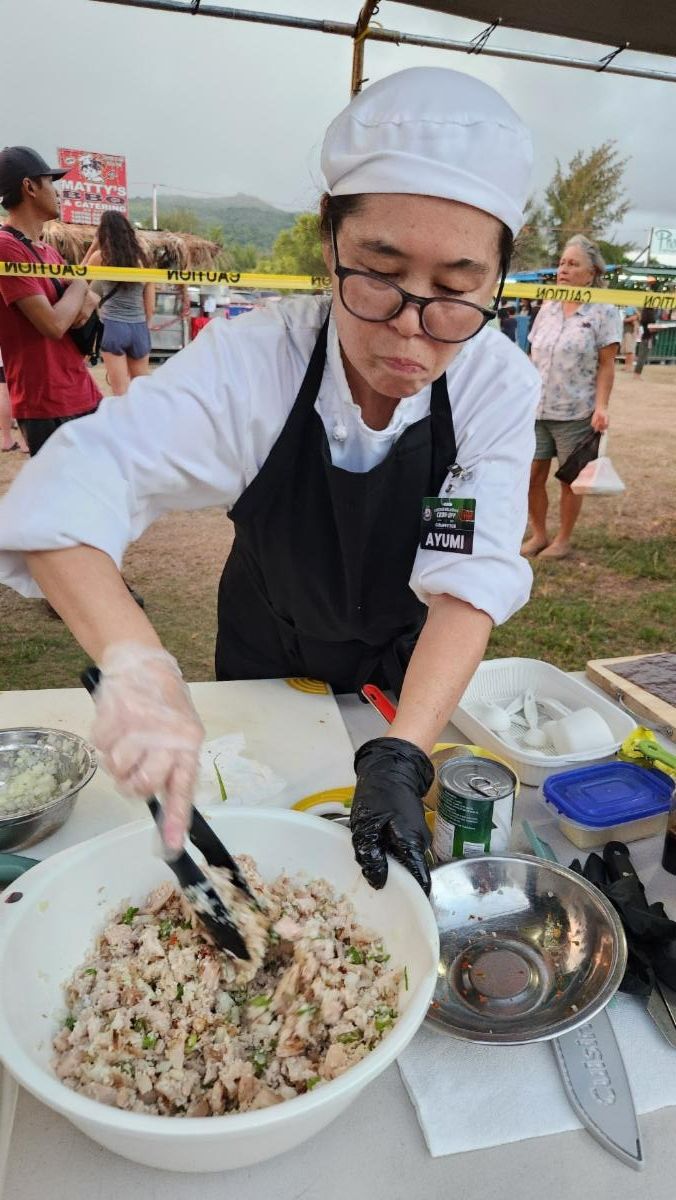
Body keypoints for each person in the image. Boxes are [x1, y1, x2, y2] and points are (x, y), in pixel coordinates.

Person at [0, 69, 540, 895]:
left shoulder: (494, 385)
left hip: (403, 668)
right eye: (378, 271)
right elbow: (71, 492)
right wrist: (138, 663)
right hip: (265, 648)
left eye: (458, 291)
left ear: (497, 276)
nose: (411, 329)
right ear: (328, 241)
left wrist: (402, 754)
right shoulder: (258, 363)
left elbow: (467, 574)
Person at [523, 235, 621, 559]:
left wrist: (602, 406)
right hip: (537, 410)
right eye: (562, 262)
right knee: (531, 477)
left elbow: (607, 366)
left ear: (591, 272)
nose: (563, 269)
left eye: (573, 263)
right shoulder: (547, 306)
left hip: (576, 412)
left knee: (570, 480)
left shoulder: (605, 311)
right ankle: (538, 535)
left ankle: (562, 540)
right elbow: (531, 354)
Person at [0, 146, 102, 456]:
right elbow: (55, 324)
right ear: (29, 187)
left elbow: (89, 304)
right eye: (50, 181)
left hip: (82, 390)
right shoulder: (6, 248)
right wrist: (82, 283)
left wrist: (81, 294)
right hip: (47, 403)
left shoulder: (47, 251)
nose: (57, 191)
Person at [82, 211, 155, 396]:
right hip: (139, 327)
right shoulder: (143, 260)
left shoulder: (101, 257)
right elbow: (151, 307)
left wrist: (92, 247)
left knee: (120, 392)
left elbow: (78, 280)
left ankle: (123, 424)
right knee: (142, 390)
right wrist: (143, 325)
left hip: (114, 327)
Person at [0, 347, 28, 452]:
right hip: (13, 352)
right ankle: (25, 442)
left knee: (3, 393)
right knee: (23, 391)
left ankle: (7, 441)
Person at [621, 304, 639, 372]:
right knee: (627, 350)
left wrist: (624, 320)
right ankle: (626, 366)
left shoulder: (633, 310)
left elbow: (635, 319)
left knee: (630, 351)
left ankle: (629, 367)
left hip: (630, 332)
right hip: (626, 331)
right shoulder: (628, 310)